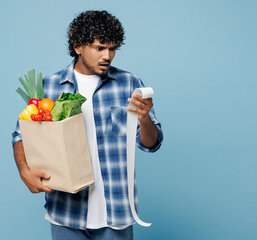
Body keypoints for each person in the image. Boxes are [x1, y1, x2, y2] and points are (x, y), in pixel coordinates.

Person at [12, 10, 163, 240]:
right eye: (100, 48)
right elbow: (21, 134)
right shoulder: (50, 86)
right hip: (66, 213)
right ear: (78, 47)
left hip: (116, 214)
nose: (108, 56)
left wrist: (144, 118)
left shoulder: (129, 84)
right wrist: (24, 170)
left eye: (112, 48)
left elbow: (151, 144)